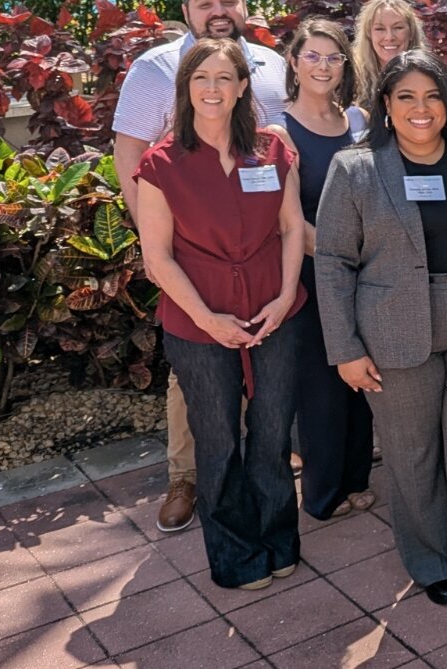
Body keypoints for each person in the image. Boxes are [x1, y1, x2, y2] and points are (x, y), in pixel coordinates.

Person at [315, 50, 447, 618]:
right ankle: (435, 562)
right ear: (386, 104)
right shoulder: (355, 169)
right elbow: (333, 262)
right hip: (394, 330)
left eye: (433, 95)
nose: (421, 108)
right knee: (412, 455)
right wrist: (345, 349)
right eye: (406, 96)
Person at [113, 0, 290, 536]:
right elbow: (129, 155)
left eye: (228, 0)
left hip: (264, 247)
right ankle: (187, 477)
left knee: (270, 367)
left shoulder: (270, 64)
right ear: (186, 10)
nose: (219, 10)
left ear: (244, 6)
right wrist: (160, 241)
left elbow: (280, 147)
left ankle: (263, 471)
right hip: (193, 255)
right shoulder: (155, 68)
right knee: (198, 377)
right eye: (205, 2)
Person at [131, 38, 308, 590]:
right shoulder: (160, 164)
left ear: (242, 87)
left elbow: (292, 228)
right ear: (186, 88)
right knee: (218, 442)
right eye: (201, 77)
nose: (213, 88)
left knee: (273, 434)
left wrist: (284, 298)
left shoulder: (272, 151)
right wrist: (208, 319)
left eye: (224, 77)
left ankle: (278, 541)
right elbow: (157, 258)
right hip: (198, 323)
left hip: (275, 313)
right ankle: (237, 557)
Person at [276, 19, 376, 522]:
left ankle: (357, 478)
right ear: (294, 63)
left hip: (366, 271)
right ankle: (323, 492)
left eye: (333, 57)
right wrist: (344, 259)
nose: (322, 66)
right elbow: (291, 221)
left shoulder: (357, 120)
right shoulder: (280, 130)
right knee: (320, 385)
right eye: (312, 56)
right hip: (315, 274)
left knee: (362, 379)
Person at [352, 0, 424, 110]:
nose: (389, 37)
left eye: (398, 27)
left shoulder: (429, 77)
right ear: (369, 35)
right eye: (380, 29)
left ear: (411, 33)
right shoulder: (351, 79)